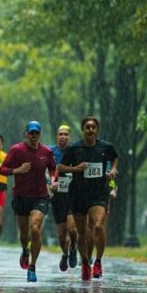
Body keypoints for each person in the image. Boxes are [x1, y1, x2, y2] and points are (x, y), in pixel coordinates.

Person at [58, 115, 119, 280]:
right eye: (87, 127)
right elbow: (61, 167)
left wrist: (113, 171)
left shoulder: (106, 147)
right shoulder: (74, 148)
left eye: (93, 127)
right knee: (82, 233)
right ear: (83, 129)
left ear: (97, 130)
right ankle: (85, 262)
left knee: (98, 226)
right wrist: (77, 168)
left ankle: (98, 261)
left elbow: (115, 158)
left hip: (99, 192)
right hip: (78, 193)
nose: (90, 130)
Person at [0, 120, 56, 283]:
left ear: (40, 134)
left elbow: (53, 168)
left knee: (35, 228)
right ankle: (25, 249)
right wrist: (16, 170)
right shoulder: (16, 150)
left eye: (36, 133)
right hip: (21, 197)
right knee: (24, 234)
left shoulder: (46, 151)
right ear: (26, 134)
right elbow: (2, 169)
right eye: (30, 133)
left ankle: (32, 266)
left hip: (40, 197)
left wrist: (53, 180)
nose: (33, 136)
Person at [50, 124, 79, 272]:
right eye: (60, 134)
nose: (63, 137)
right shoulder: (50, 152)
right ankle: (65, 253)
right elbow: (45, 170)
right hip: (57, 195)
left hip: (73, 194)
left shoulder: (75, 151)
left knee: (72, 229)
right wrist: (50, 183)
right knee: (61, 234)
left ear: (69, 137)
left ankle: (73, 248)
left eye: (66, 134)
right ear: (56, 136)